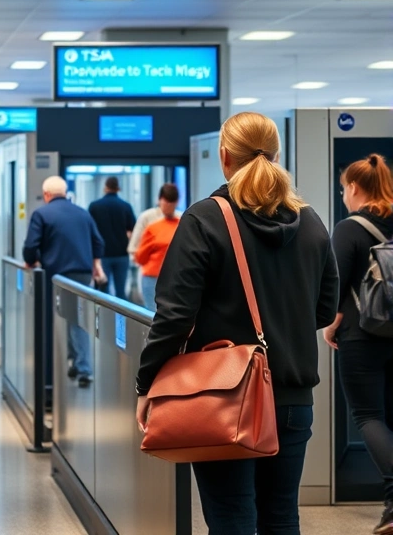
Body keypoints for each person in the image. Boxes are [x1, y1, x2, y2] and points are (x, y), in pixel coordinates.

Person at [135, 112, 339, 535]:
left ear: (224, 157)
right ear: (276, 156)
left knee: (230, 517)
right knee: (282, 517)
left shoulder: (204, 220)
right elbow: (324, 309)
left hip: (224, 397)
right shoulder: (312, 222)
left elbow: (174, 316)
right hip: (293, 400)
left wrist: (147, 383)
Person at [323, 154, 393, 535]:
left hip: (362, 334)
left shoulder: (349, 228)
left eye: (342, 189)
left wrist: (330, 326)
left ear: (353, 187)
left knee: (368, 416)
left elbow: (335, 284)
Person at [23, 176, 106, 388]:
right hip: (81, 275)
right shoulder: (82, 213)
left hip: (56, 275)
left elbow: (31, 245)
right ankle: (76, 363)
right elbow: (98, 242)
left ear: (46, 195)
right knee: (76, 318)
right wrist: (95, 264)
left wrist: (31, 261)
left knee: (58, 319)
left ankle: (76, 367)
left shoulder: (41, 214)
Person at [133, 186, 181, 313]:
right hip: (167, 277)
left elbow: (140, 256)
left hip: (161, 277)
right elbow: (140, 256)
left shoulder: (154, 228)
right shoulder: (183, 224)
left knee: (153, 316)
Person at [88, 176, 136, 299]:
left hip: (102, 255)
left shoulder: (94, 206)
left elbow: (90, 231)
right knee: (121, 292)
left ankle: (104, 318)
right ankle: (121, 318)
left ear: (105, 188)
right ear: (118, 188)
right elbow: (132, 230)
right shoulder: (125, 206)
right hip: (121, 254)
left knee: (102, 291)